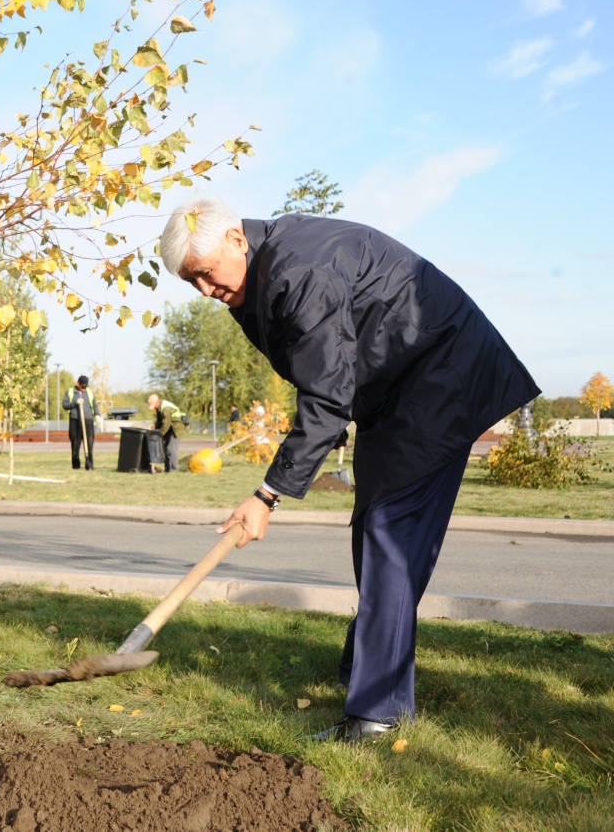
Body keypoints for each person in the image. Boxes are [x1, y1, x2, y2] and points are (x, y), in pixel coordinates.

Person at [158, 197, 538, 742]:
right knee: (376, 532)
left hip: (439, 374)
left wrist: (267, 495)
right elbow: (322, 371)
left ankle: (377, 713)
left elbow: (326, 394)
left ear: (236, 241)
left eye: (204, 273)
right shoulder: (256, 281)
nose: (204, 291)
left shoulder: (299, 270)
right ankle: (369, 670)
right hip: (393, 388)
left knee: (391, 533)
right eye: (190, 282)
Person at [62, 374, 96, 470]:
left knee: (89, 443)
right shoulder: (70, 392)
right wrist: (75, 403)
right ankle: (76, 465)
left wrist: (97, 415)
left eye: (85, 386)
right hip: (75, 420)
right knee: (75, 443)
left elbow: (94, 404)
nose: (84, 388)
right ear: (78, 383)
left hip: (87, 420)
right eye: (83, 386)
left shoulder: (89, 392)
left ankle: (89, 464)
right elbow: (64, 405)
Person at [147, 393, 184, 472]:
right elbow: (160, 421)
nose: (154, 408)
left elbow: (166, 424)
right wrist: (156, 429)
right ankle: (168, 469)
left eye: (154, 406)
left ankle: (174, 469)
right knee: (166, 448)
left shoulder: (166, 408)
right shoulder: (159, 408)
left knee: (171, 449)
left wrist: (160, 435)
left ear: (157, 402)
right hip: (170, 428)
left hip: (176, 428)